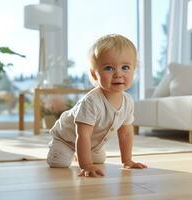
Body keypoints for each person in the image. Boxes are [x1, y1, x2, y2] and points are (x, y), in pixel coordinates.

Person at [46, 34, 147, 177]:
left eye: (125, 67)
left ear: (133, 71)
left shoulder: (128, 101)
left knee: (99, 161)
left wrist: (127, 160)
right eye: (109, 68)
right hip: (67, 138)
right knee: (59, 162)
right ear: (94, 74)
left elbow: (125, 133)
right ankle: (57, 147)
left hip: (94, 143)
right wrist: (85, 165)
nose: (118, 74)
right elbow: (83, 135)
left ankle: (81, 153)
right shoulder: (91, 101)